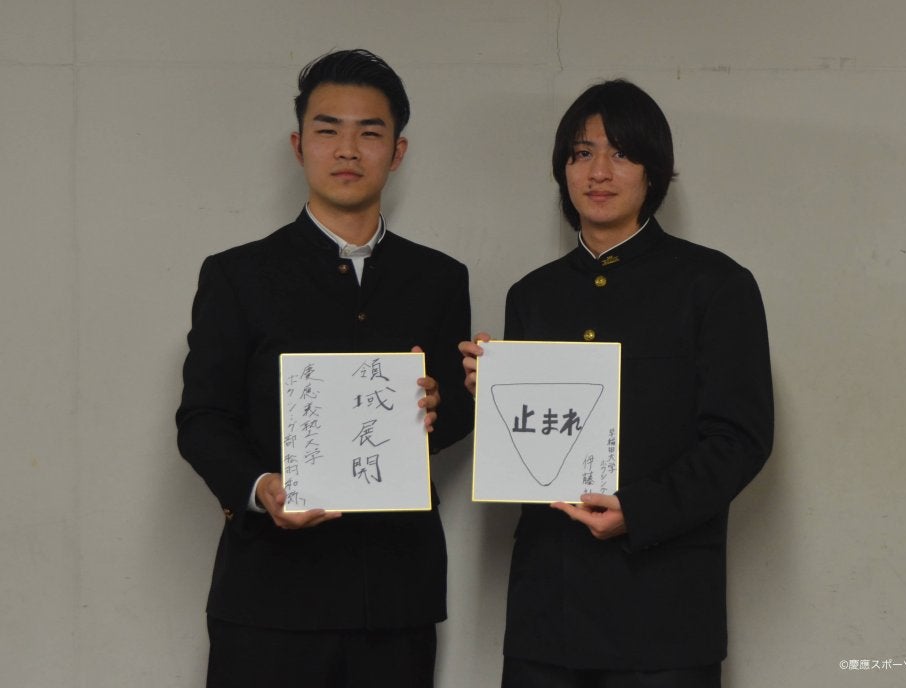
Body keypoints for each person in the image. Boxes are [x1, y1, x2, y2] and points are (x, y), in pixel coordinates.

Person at [460, 80, 774, 687]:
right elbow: (533, 453)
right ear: (563, 170)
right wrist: (493, 397)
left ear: (653, 171)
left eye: (622, 153)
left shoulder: (715, 284)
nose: (599, 172)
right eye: (582, 153)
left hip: (666, 612)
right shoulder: (533, 295)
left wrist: (641, 510)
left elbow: (740, 439)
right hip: (547, 613)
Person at [176, 48, 472, 687]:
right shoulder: (237, 276)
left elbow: (453, 416)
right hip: (268, 596)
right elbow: (202, 419)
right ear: (298, 145)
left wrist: (443, 403)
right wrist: (260, 487)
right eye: (328, 129)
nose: (347, 150)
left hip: (395, 596)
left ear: (397, 152)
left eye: (370, 133)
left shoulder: (440, 279)